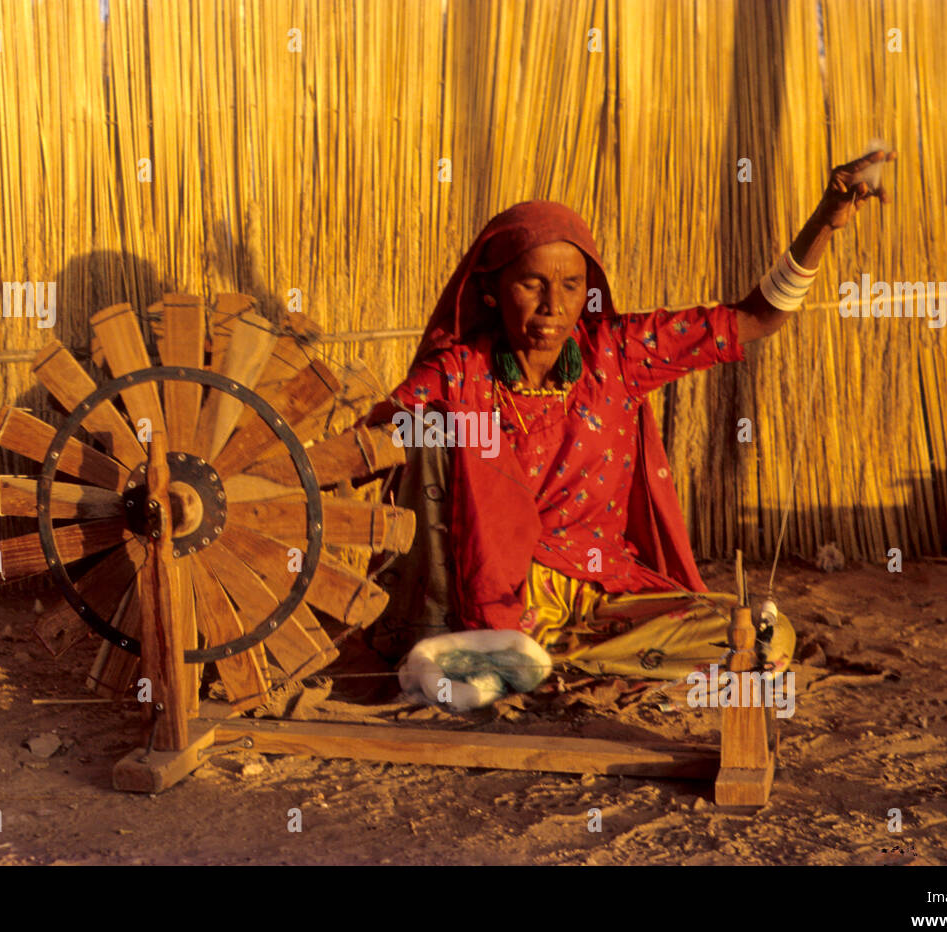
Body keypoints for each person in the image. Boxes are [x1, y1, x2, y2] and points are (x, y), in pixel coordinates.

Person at [364, 151, 894, 683]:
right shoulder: (460, 373)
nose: (553, 305)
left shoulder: (618, 356)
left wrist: (824, 222)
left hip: (608, 596)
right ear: (491, 289)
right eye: (531, 283)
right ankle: (504, 655)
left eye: (571, 285)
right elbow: (373, 446)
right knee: (428, 438)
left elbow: (756, 317)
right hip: (499, 598)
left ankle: (539, 666)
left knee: (761, 635)